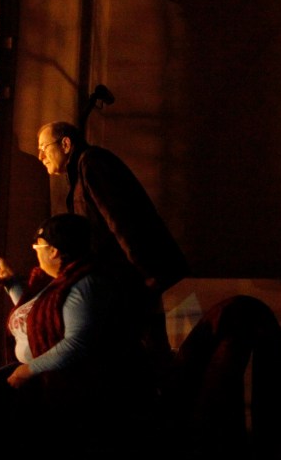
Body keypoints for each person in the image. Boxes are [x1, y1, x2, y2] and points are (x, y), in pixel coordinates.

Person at [0, 213, 156, 455]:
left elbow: (78, 343)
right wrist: (9, 281)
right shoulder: (56, 281)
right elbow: (35, 317)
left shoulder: (83, 284)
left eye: (38, 246)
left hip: (56, 383)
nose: (34, 251)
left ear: (54, 251)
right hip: (37, 372)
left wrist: (27, 370)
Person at [36, 120, 189, 373]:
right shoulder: (82, 169)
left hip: (132, 277)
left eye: (44, 147)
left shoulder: (91, 163)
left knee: (146, 350)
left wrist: (147, 274)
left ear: (65, 144)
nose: (40, 155)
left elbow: (122, 220)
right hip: (126, 277)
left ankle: (165, 402)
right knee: (144, 349)